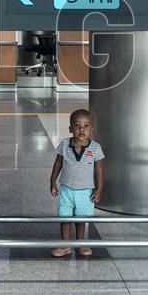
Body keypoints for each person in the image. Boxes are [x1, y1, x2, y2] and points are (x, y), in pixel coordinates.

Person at [49, 109, 105, 258]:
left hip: (85, 191)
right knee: (65, 218)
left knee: (81, 220)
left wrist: (99, 190)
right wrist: (52, 181)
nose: (81, 129)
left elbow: (99, 171)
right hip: (66, 189)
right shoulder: (65, 144)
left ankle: (80, 245)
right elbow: (58, 163)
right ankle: (66, 246)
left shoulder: (95, 148)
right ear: (70, 128)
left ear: (91, 129)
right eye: (77, 125)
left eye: (86, 126)